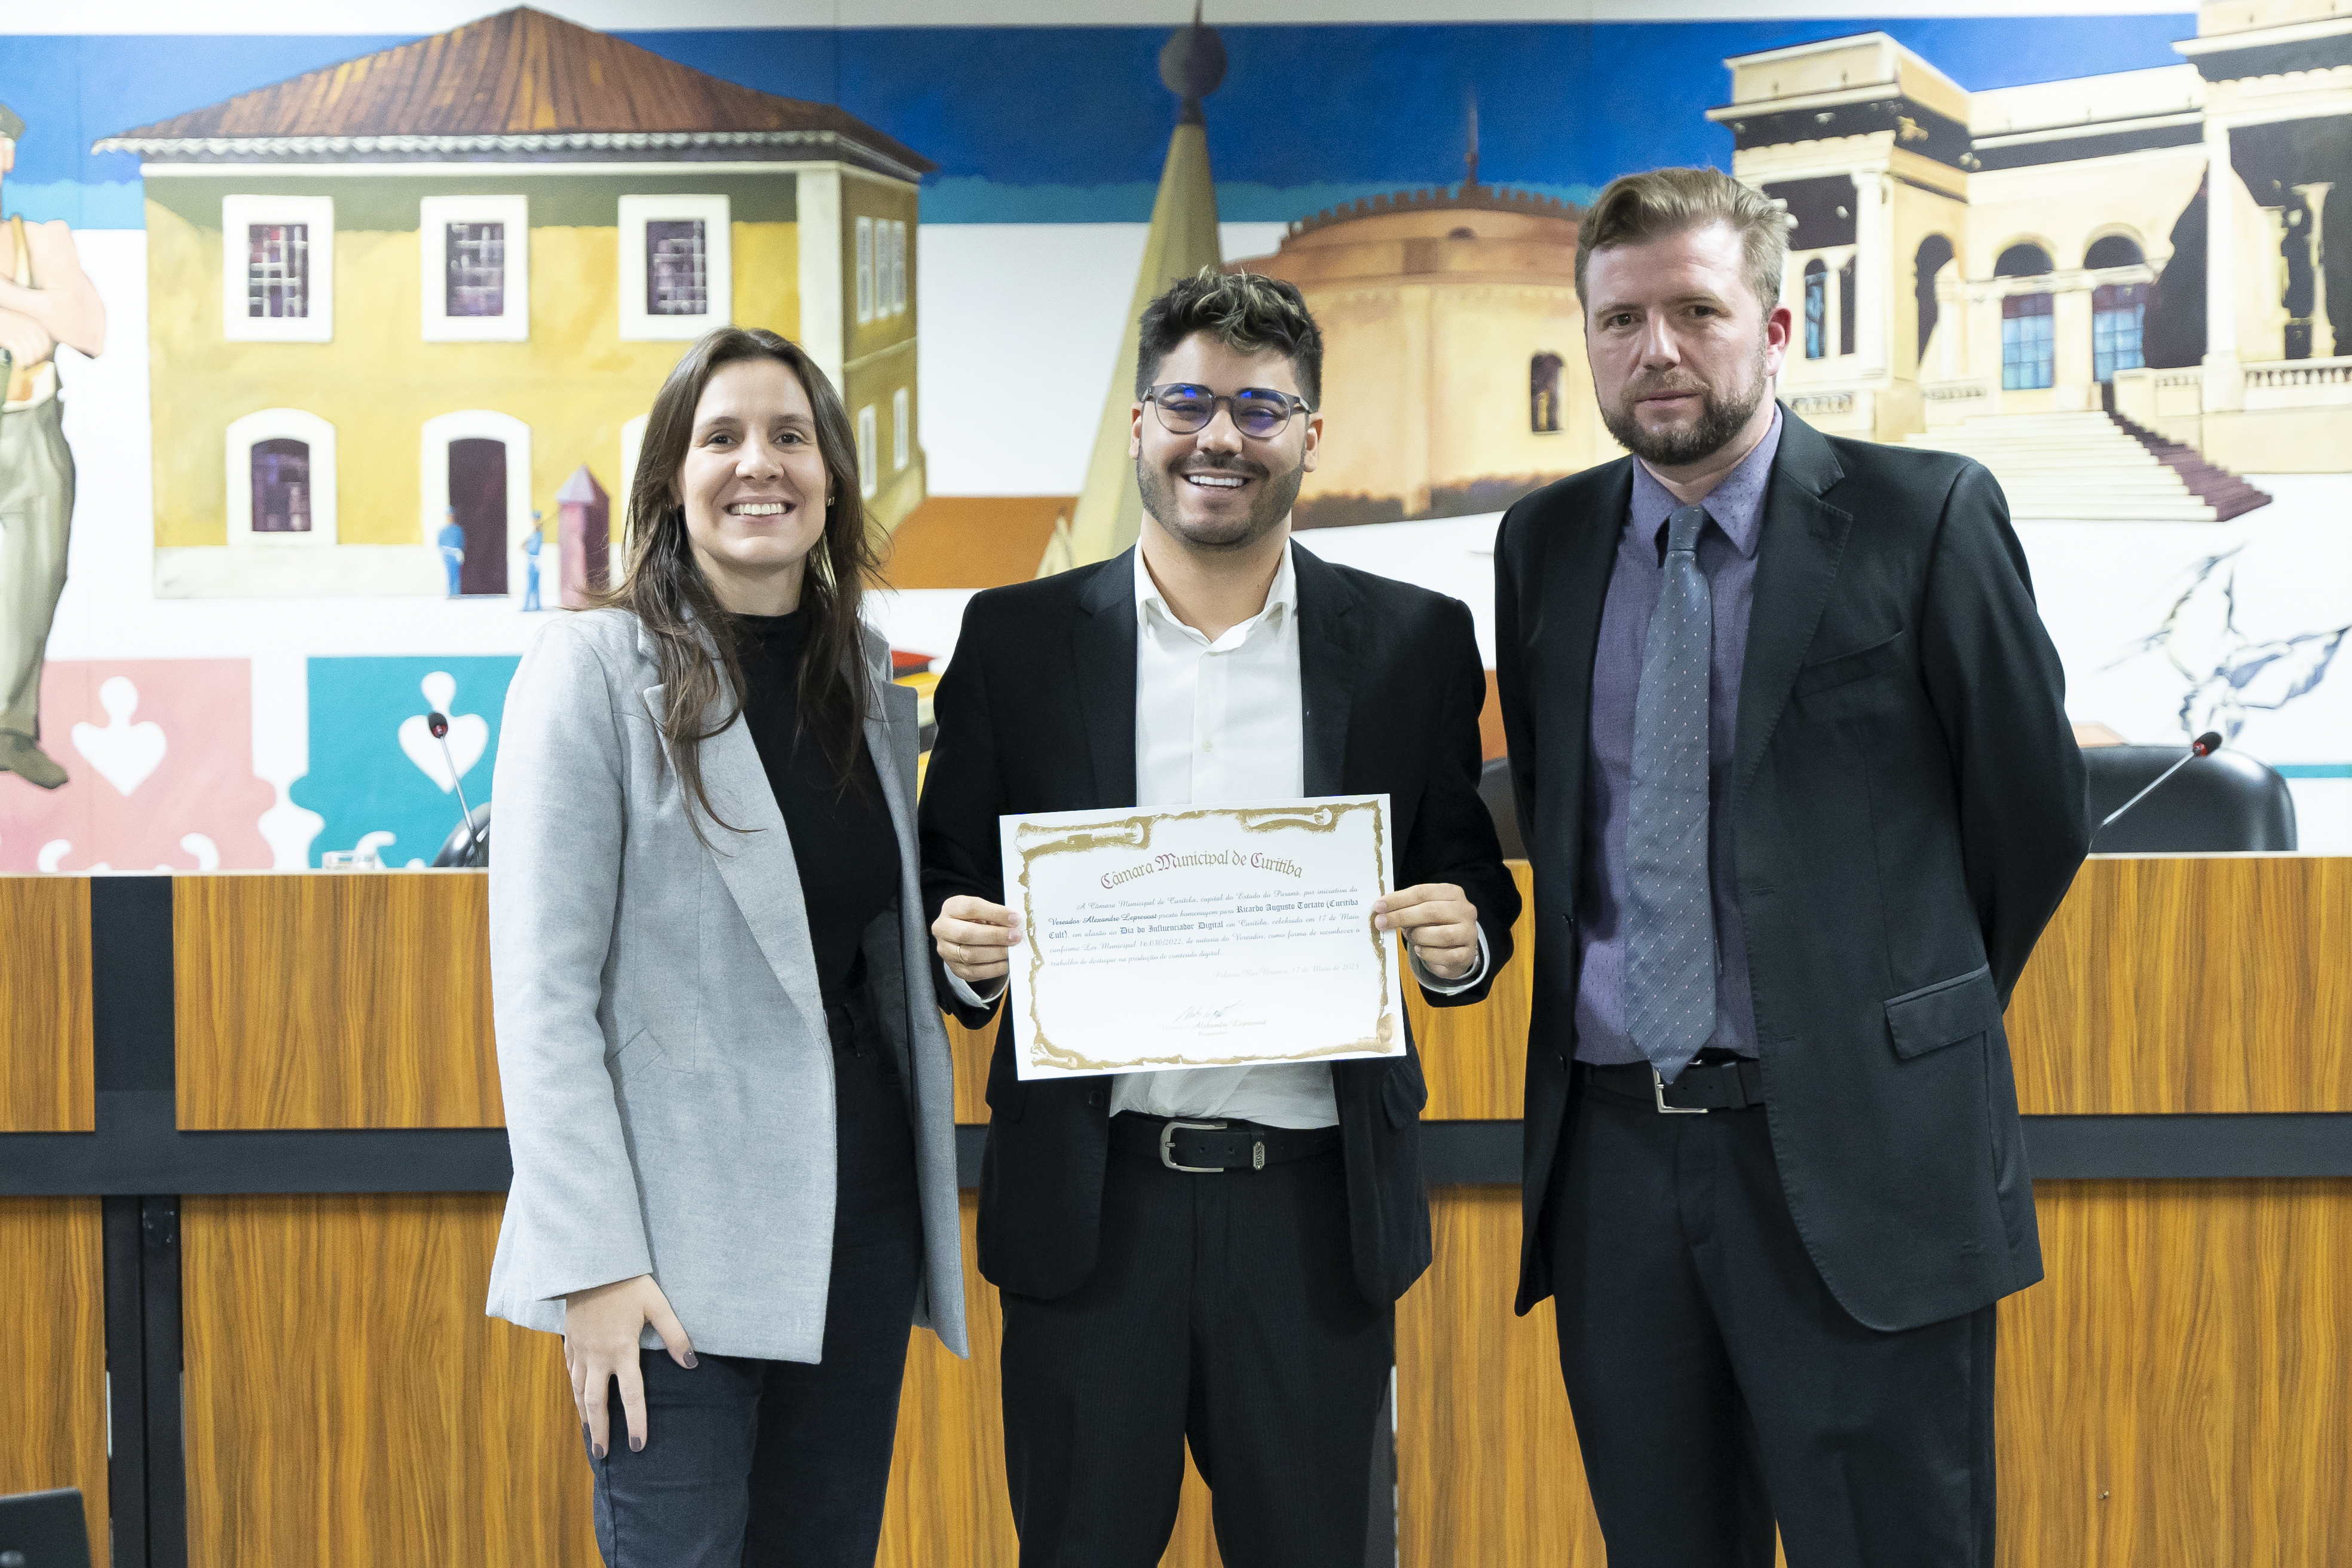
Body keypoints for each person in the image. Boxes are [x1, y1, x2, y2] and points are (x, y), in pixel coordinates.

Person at [1492, 166, 2089, 1566]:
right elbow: (1561, 809)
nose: (1656, 349)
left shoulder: (1924, 516)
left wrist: (1883, 1017)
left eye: (1695, 310)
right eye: (1620, 318)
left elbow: (2032, 814)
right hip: (1616, 1160)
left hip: (1863, 1154)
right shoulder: (1545, 544)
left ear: (1773, 328)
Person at [920, 268, 1519, 1567]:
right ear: (1140, 423)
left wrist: (1462, 940)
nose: (1220, 437)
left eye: (1260, 407)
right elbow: (946, 878)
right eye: (1188, 400)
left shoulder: (1414, 642)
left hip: (1313, 1219)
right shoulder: (1017, 642)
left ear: (1311, 434)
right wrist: (958, 957)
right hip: (1095, 1216)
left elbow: (1472, 876)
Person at [485, 326, 967, 1567]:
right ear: (670, 479)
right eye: (723, 437)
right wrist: (590, 1267)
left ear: (832, 481)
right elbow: (543, 1002)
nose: (761, 464)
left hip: (855, 1228)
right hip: (665, 1257)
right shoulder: (589, 668)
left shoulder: (859, 679)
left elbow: (864, 951)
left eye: (791, 436)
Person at [0, 101, 107, 790]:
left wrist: (8, 296)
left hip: (27, 427)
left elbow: (88, 327)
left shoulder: (40, 239)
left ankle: (10, 729)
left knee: (32, 581)